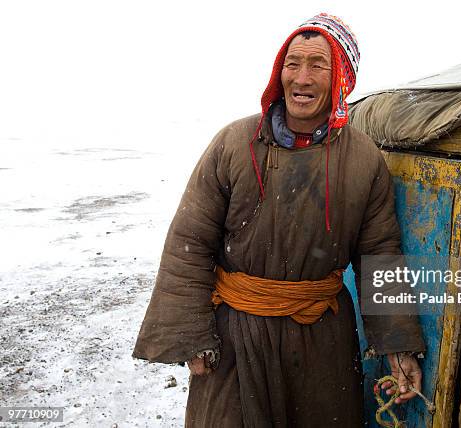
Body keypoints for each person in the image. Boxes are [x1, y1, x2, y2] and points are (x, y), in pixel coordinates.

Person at [133, 13, 425, 427]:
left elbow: (380, 254)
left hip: (321, 340)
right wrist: (192, 336)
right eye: (293, 63)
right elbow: (190, 239)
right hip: (236, 336)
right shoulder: (235, 144)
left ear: (341, 77)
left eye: (317, 65)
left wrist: (399, 346)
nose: (301, 78)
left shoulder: (363, 159)